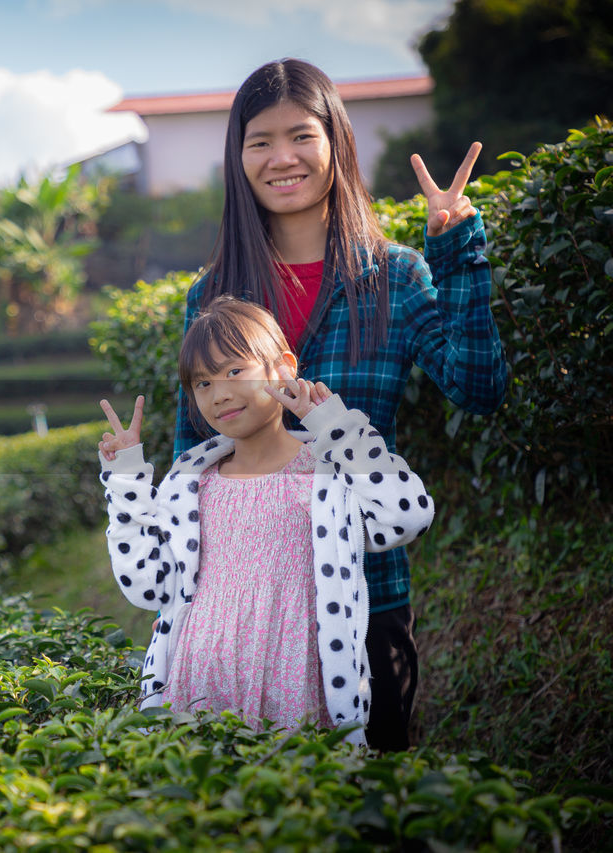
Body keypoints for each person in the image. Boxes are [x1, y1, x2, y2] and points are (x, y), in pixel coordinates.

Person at [171, 59, 507, 751]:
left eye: (300, 135)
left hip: (363, 600)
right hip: (239, 611)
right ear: (238, 158)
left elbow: (479, 390)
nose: (282, 158)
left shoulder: (398, 275)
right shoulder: (210, 299)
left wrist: (458, 251)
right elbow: (192, 456)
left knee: (372, 805)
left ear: (336, 144)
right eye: (259, 140)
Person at [99, 296, 435, 745]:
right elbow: (147, 586)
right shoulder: (191, 486)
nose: (219, 394)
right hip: (199, 683)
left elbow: (408, 515)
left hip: (298, 685)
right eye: (202, 383)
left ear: (283, 367)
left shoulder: (325, 474)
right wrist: (125, 481)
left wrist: (335, 426)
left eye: (235, 371)